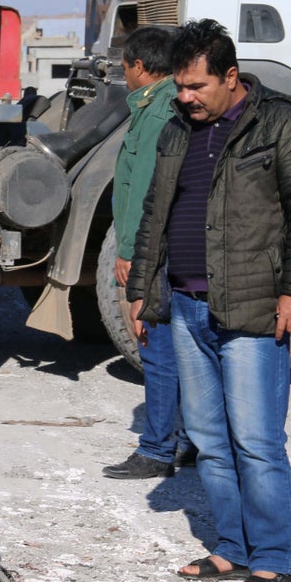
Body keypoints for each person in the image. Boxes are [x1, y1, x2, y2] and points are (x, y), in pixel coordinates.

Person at [125, 19, 291, 582]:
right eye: (180, 87)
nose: (185, 98)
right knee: (209, 440)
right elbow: (154, 217)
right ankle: (234, 550)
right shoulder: (175, 130)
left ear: (231, 77)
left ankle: (273, 558)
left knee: (256, 440)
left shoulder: (282, 124)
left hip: (253, 308)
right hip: (187, 307)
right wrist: (141, 291)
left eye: (196, 87)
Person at [102, 26, 194, 480]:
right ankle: (194, 440)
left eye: (125, 68)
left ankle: (158, 449)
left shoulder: (157, 112)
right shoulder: (162, 104)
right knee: (189, 349)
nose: (125, 76)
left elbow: (142, 190)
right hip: (173, 245)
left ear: (139, 67)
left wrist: (130, 251)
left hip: (157, 249)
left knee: (158, 347)